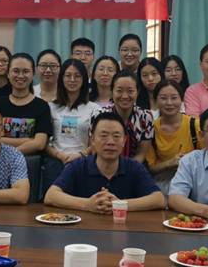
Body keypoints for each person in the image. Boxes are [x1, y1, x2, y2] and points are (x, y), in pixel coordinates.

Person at [43, 112, 165, 212]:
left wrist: (120, 205)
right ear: (92, 140)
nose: (110, 142)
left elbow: (159, 199)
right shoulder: (79, 166)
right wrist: (87, 204)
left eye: (116, 136)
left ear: (124, 141)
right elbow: (51, 196)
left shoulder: (134, 167)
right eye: (103, 135)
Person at [43, 59, 100, 192]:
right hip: (56, 161)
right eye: (68, 75)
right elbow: (44, 142)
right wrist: (60, 155)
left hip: (84, 160)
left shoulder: (94, 109)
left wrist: (81, 154)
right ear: (61, 78)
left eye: (77, 76)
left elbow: (97, 141)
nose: (72, 80)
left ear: (84, 79)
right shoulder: (50, 107)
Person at [147, 80, 202, 194]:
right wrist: (169, 163)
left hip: (194, 180)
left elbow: (207, 157)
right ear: (156, 101)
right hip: (163, 182)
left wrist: (188, 161)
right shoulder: (151, 129)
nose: (169, 103)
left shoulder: (195, 125)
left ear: (181, 100)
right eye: (163, 98)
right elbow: (151, 167)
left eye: (174, 98)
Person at [0, 53, 53, 155]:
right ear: (8, 73)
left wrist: (12, 155)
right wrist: (30, 140)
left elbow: (40, 143)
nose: (20, 76)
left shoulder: (42, 106)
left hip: (31, 162)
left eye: (26, 71)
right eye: (16, 71)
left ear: (33, 74)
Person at [92, 70, 153, 162]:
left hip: (134, 166)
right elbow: (95, 150)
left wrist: (125, 168)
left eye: (130, 91)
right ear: (112, 92)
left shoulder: (145, 117)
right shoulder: (99, 115)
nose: (124, 96)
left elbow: (141, 154)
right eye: (119, 91)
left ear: (137, 92)